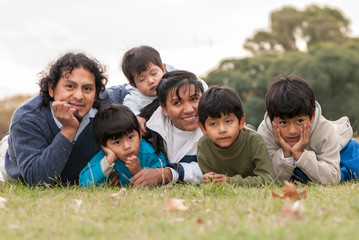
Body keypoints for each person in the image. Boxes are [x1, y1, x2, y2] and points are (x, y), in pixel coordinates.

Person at [1, 52, 127, 186]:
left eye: (87, 88)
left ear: (96, 93)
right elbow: (37, 180)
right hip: (12, 158)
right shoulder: (27, 118)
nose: (79, 96)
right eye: (70, 86)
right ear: (51, 89)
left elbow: (136, 86)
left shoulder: (108, 104)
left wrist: (137, 114)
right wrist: (69, 129)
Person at [257, 73, 359, 185]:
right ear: (272, 120)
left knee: (353, 167)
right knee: (298, 174)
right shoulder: (265, 133)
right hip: (305, 163)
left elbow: (332, 177)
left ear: (313, 116)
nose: (292, 131)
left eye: (300, 121)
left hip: (340, 150)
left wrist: (300, 154)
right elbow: (270, 178)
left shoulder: (324, 129)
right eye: (283, 122)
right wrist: (286, 153)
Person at [129, 70, 206, 186]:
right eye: (177, 103)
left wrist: (169, 173)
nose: (189, 109)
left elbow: (217, 169)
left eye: (194, 99)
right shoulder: (147, 130)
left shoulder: (217, 127)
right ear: (164, 109)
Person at [196, 86, 275, 187]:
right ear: (203, 128)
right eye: (213, 124)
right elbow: (210, 182)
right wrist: (209, 181)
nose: (222, 130)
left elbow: (268, 179)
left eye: (228, 121)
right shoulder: (204, 145)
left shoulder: (254, 141)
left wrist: (231, 182)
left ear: (241, 121)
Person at [79, 104, 166, 187]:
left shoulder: (150, 153)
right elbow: (84, 183)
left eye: (131, 137)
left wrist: (138, 171)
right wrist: (108, 161)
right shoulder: (105, 158)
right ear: (104, 146)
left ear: (139, 134)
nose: (127, 146)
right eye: (117, 142)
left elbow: (165, 177)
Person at [121, 45, 175, 132]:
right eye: (142, 79)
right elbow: (127, 111)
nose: (150, 81)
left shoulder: (175, 80)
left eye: (154, 73)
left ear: (163, 69)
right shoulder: (134, 98)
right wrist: (136, 118)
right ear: (133, 84)